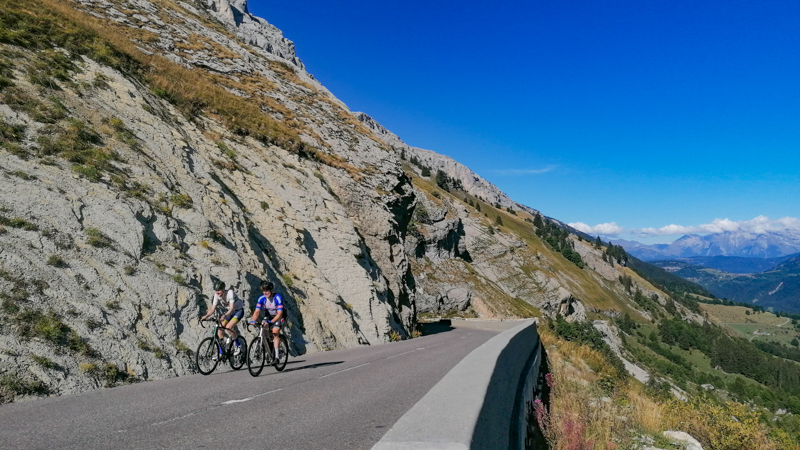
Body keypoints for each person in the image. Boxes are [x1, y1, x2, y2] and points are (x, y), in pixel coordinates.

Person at [200, 280, 244, 357]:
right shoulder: (216, 295)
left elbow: (231, 308)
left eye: (219, 290)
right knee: (220, 329)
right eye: (216, 291)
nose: (217, 292)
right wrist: (205, 316)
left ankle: (238, 345)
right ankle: (221, 352)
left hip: (238, 311)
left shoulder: (230, 293)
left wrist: (224, 315)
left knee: (228, 327)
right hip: (229, 312)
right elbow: (212, 309)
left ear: (223, 289)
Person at [249, 281, 285, 361]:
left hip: (279, 316)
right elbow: (257, 311)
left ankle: (276, 356)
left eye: (267, 291)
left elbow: (279, 314)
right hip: (268, 315)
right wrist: (253, 320)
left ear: (271, 290)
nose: (265, 292)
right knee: (263, 328)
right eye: (264, 291)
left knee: (275, 332)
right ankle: (268, 346)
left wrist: (272, 322)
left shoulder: (277, 297)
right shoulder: (262, 298)